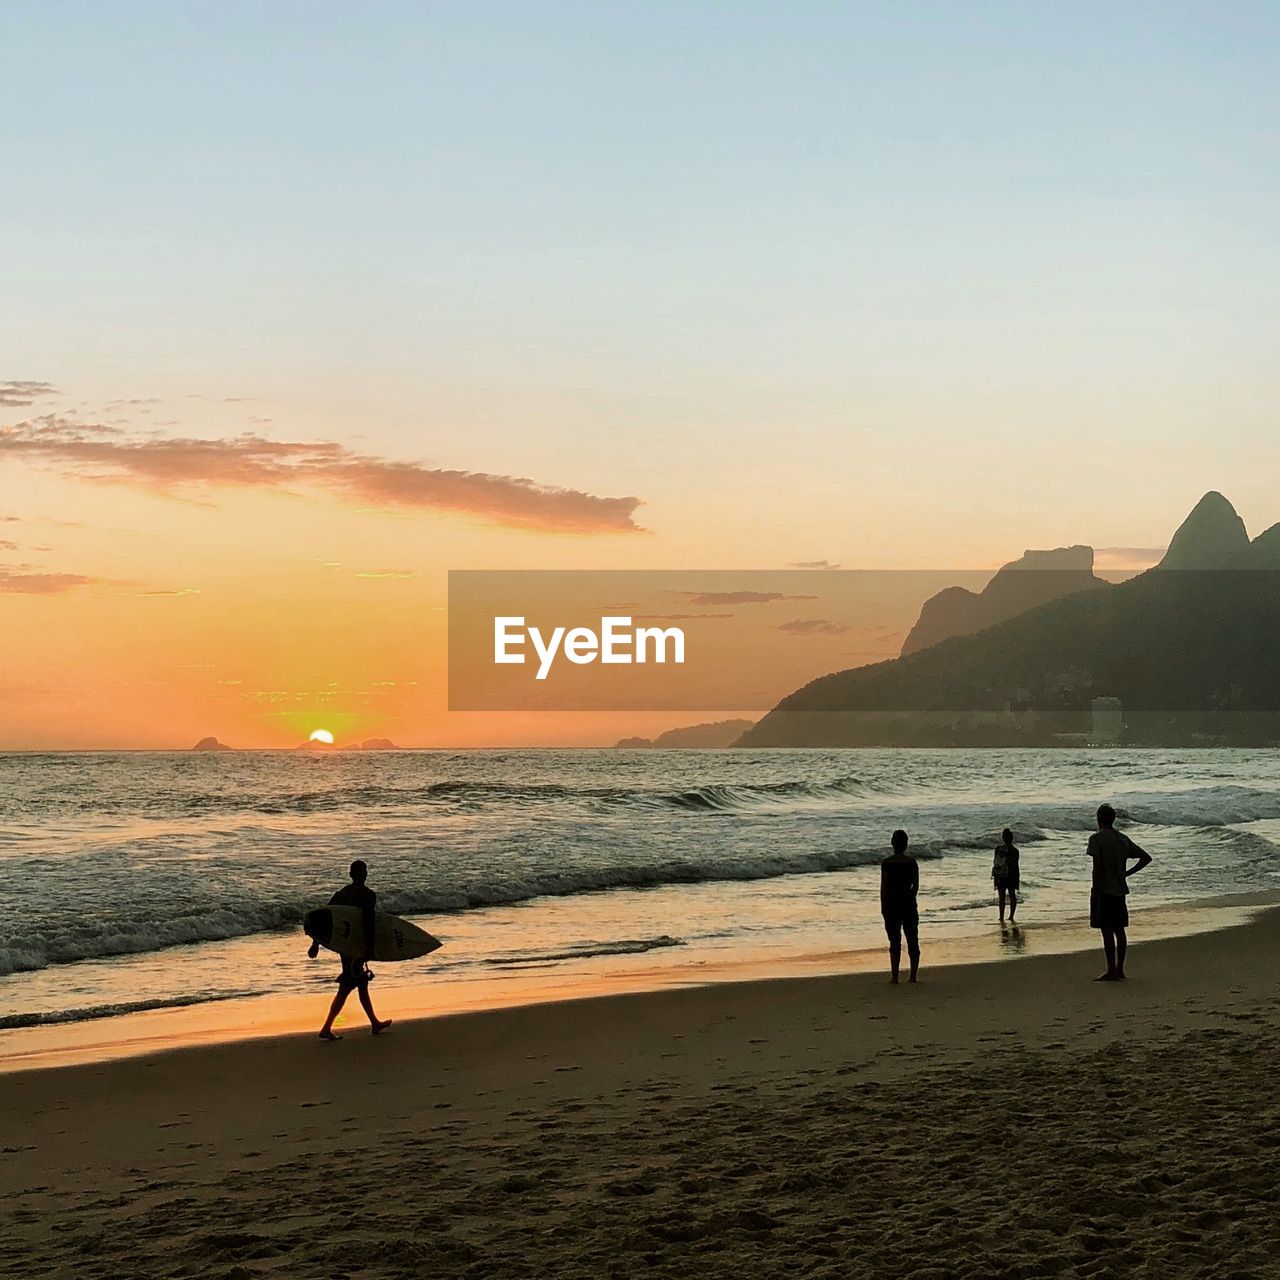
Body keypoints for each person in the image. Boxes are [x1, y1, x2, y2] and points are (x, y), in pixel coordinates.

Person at [309, 859, 393, 1040]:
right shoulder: (368, 895)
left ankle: (374, 1023)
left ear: (350, 874)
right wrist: (370, 948)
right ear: (365, 875)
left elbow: (324, 916)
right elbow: (368, 922)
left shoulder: (341, 894)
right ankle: (326, 1027)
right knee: (347, 986)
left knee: (361, 983)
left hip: (345, 945)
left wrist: (315, 943)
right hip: (357, 944)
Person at [1086, 804, 1152, 982]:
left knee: (1106, 930)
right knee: (1119, 929)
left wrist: (1095, 888)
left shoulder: (1096, 839)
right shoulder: (1122, 839)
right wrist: (1127, 873)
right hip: (1120, 889)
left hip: (1104, 889)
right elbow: (1146, 857)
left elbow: (1097, 868)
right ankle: (1120, 969)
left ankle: (1110, 969)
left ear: (1099, 819)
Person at [880, 829, 920, 984]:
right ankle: (913, 976)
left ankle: (895, 976)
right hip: (908, 902)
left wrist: (883, 906)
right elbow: (915, 887)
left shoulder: (887, 863)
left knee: (894, 941)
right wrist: (909, 898)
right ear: (906, 844)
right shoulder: (912, 863)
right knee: (912, 938)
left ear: (892, 844)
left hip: (891, 904)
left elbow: (883, 887)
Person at [992, 827, 1020, 924]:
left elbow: (996, 864)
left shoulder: (999, 849)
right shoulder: (1015, 851)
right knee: (1012, 895)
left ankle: (1001, 917)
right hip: (1012, 875)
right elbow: (1016, 866)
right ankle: (1011, 916)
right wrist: (1018, 878)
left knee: (1002, 897)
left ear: (1003, 838)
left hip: (1001, 875)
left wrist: (995, 877)